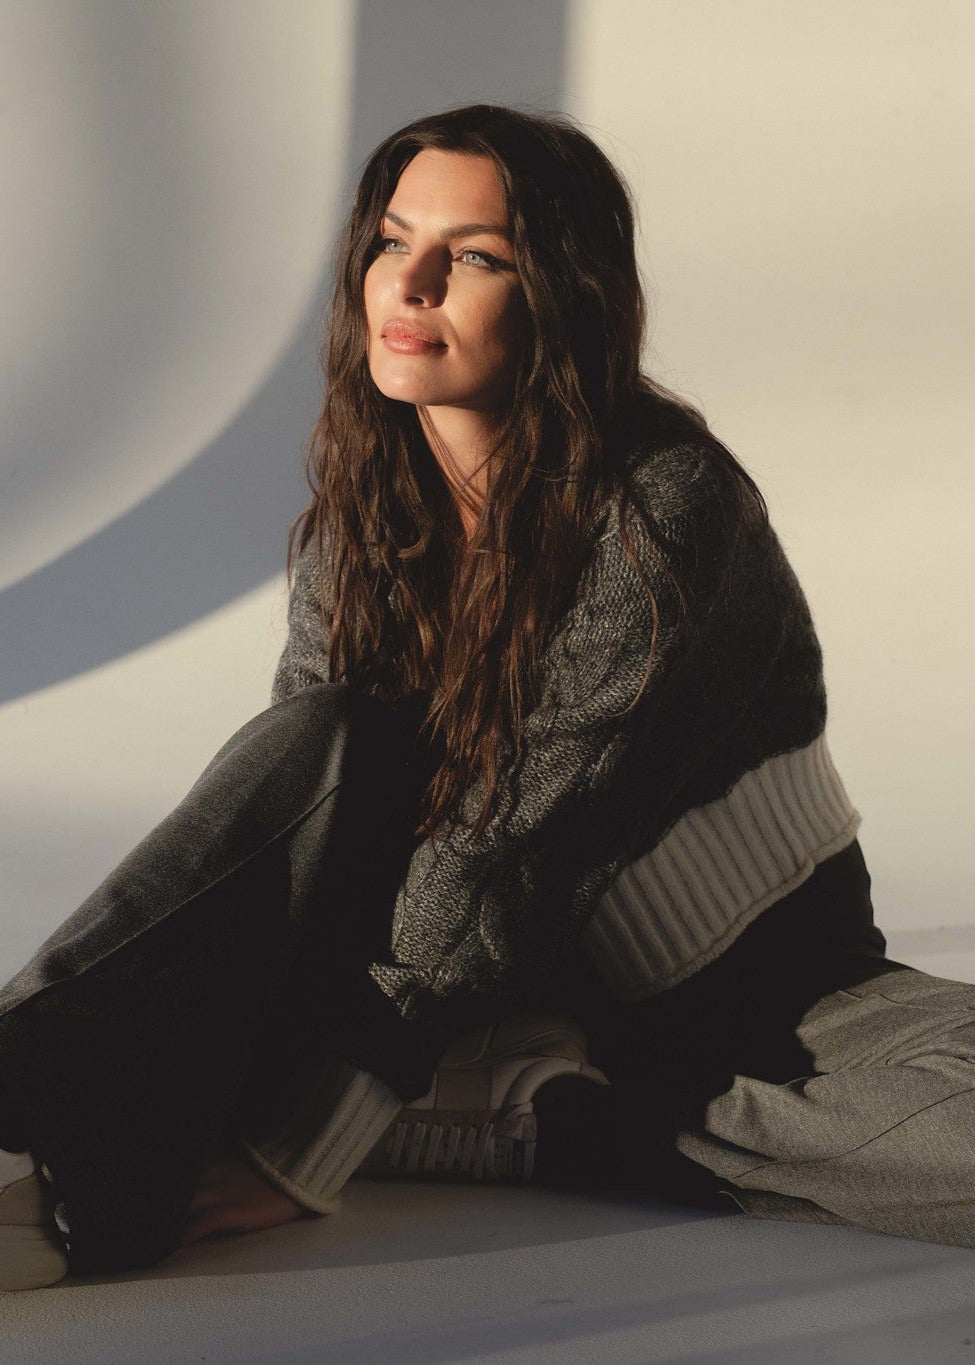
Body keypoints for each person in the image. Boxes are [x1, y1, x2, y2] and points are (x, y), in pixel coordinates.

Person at [2, 102, 974, 1294]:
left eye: (473, 257)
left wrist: (309, 1139)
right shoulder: (363, 519)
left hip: (744, 993)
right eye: (390, 242)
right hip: (450, 982)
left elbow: (517, 839)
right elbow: (310, 845)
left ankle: (531, 1112)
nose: (409, 285)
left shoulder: (665, 510)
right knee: (316, 741)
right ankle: (26, 1106)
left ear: (564, 294)